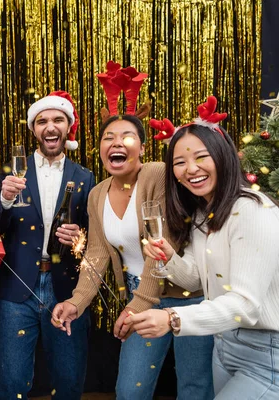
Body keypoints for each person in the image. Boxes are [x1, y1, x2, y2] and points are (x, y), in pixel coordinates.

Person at [51, 63, 214, 399]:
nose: (116, 142)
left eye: (127, 136)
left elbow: (163, 243)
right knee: (129, 390)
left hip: (189, 295)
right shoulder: (97, 194)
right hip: (141, 296)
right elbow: (95, 256)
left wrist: (137, 305)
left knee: (195, 388)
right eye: (108, 137)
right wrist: (76, 302)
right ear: (99, 148)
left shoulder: (157, 175)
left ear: (141, 146)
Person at [126, 96, 279, 398]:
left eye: (201, 157)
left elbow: (246, 306)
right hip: (224, 345)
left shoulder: (253, 211)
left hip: (266, 354)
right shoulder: (202, 214)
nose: (190, 169)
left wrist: (172, 319)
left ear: (222, 156)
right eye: (179, 162)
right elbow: (195, 279)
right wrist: (169, 258)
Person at [0, 91, 95, 399]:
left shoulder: (85, 176)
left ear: (68, 127)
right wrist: (5, 199)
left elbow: (95, 237)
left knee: (69, 378)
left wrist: (80, 240)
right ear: (34, 129)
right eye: (42, 121)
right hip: (16, 287)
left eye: (58, 119)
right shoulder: (12, 171)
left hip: (68, 289)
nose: (50, 127)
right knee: (10, 380)